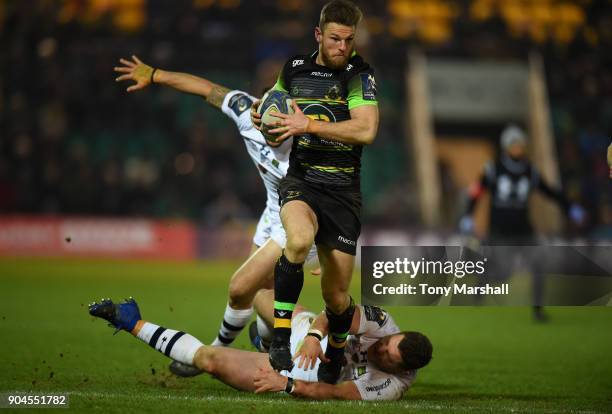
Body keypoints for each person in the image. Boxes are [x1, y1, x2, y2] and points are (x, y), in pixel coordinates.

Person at [113, 56, 318, 363]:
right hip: (271, 214)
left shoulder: (310, 147)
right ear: (258, 113)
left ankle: (217, 351)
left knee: (240, 288)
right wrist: (155, 74)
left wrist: (330, 252)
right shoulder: (246, 113)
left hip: (300, 224)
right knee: (263, 293)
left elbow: (337, 196)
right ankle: (264, 341)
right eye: (269, 125)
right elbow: (204, 88)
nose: (276, 132)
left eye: (282, 128)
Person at [249, 0, 379, 382]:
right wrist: (263, 117)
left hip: (343, 194)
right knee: (298, 241)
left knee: (337, 298)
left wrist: (309, 126)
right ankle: (280, 335)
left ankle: (336, 350)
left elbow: (366, 130)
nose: (343, 46)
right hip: (302, 182)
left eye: (349, 39)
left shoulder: (360, 75)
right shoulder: (294, 68)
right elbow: (274, 109)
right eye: (335, 38)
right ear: (318, 35)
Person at [88, 293, 432, 401]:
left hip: (301, 370)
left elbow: (335, 393)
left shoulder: (390, 387)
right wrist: (312, 336)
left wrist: (285, 383)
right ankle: (269, 340)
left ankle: (129, 321)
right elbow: (335, 313)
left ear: (401, 370)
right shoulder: (383, 322)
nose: (380, 350)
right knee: (261, 294)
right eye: (386, 345)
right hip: (311, 337)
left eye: (387, 357)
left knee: (208, 359)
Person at [459, 125, 585, 320]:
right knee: (502, 273)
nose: (518, 148)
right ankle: (480, 288)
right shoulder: (493, 169)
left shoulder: (530, 171)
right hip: (500, 230)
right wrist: (468, 215)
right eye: (514, 144)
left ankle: (537, 309)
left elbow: (549, 191)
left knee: (539, 263)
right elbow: (476, 192)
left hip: (524, 229)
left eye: (520, 144)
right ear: (506, 146)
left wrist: (569, 207)